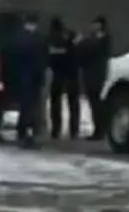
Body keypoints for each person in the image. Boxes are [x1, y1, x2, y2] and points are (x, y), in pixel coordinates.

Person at [5, 14, 46, 148]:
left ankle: (23, 132)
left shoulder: (16, 38)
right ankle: (29, 133)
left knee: (25, 106)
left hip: (20, 76)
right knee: (31, 107)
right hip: (33, 77)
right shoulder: (38, 39)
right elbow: (42, 60)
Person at [76, 15, 111, 139]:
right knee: (94, 103)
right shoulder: (92, 40)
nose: (92, 27)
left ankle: (101, 130)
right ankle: (98, 129)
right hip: (90, 74)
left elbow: (92, 49)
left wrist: (81, 42)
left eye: (95, 24)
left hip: (97, 75)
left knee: (98, 103)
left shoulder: (103, 40)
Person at [47, 17, 80, 138]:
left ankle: (56, 129)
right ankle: (74, 130)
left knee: (55, 103)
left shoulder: (51, 40)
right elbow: (77, 54)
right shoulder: (71, 37)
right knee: (73, 104)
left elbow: (49, 57)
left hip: (57, 74)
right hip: (72, 73)